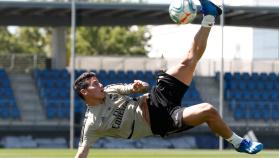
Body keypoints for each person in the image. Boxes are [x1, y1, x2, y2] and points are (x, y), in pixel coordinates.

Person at [73, 0, 263, 157]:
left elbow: (142, 87)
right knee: (209, 110)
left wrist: (139, 86)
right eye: (96, 84)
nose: (101, 85)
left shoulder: (109, 90)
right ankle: (238, 142)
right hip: (161, 121)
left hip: (156, 96)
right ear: (84, 91)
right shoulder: (91, 124)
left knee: (188, 61)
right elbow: (82, 152)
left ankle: (209, 15)